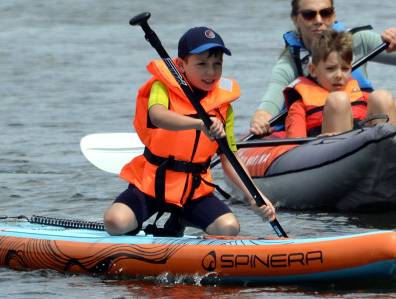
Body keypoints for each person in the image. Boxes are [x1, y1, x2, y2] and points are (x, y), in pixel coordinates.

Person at [105, 26, 276, 237]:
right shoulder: (163, 87)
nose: (211, 72)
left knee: (229, 228)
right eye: (202, 64)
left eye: (217, 64)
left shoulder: (223, 107)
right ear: (181, 65)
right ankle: (136, 230)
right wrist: (199, 123)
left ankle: (183, 217)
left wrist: (255, 196)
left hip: (193, 191)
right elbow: (157, 116)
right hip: (152, 183)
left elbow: (230, 157)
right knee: (115, 223)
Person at [250, 0, 396, 136]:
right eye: (309, 14)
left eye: (326, 12)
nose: (319, 20)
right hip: (326, 133)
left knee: (387, 98)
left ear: (334, 15)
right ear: (295, 19)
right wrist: (260, 118)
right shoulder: (290, 63)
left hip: (365, 122)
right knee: (338, 100)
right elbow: (269, 105)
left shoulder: (358, 40)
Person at [285, 29, 396, 137]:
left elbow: (395, 106)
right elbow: (295, 143)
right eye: (330, 69)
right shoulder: (299, 106)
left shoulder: (361, 96)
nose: (339, 75)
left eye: (345, 69)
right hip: (329, 152)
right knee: (338, 100)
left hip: (369, 146)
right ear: (313, 70)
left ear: (351, 69)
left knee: (387, 98)